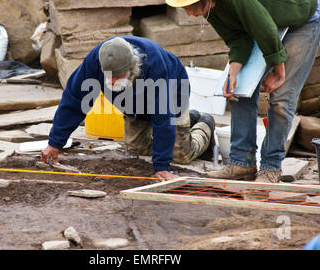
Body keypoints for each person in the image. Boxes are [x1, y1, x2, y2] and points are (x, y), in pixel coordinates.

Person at [165, 0, 320, 183]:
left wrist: (279, 71)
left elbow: (265, 29)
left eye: (189, 6)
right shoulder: (210, 8)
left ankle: (271, 168)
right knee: (238, 90)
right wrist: (233, 69)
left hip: (303, 20)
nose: (188, 13)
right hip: (271, 23)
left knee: (281, 98)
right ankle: (242, 163)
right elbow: (238, 39)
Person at [41, 36, 216, 181]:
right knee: (137, 151)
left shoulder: (155, 66)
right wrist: (55, 143)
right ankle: (188, 121)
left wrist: (162, 166)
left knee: (179, 155)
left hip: (172, 98)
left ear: (132, 66)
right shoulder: (96, 60)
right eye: (108, 77)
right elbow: (74, 99)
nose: (112, 82)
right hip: (133, 104)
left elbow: (163, 115)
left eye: (117, 77)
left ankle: (204, 124)